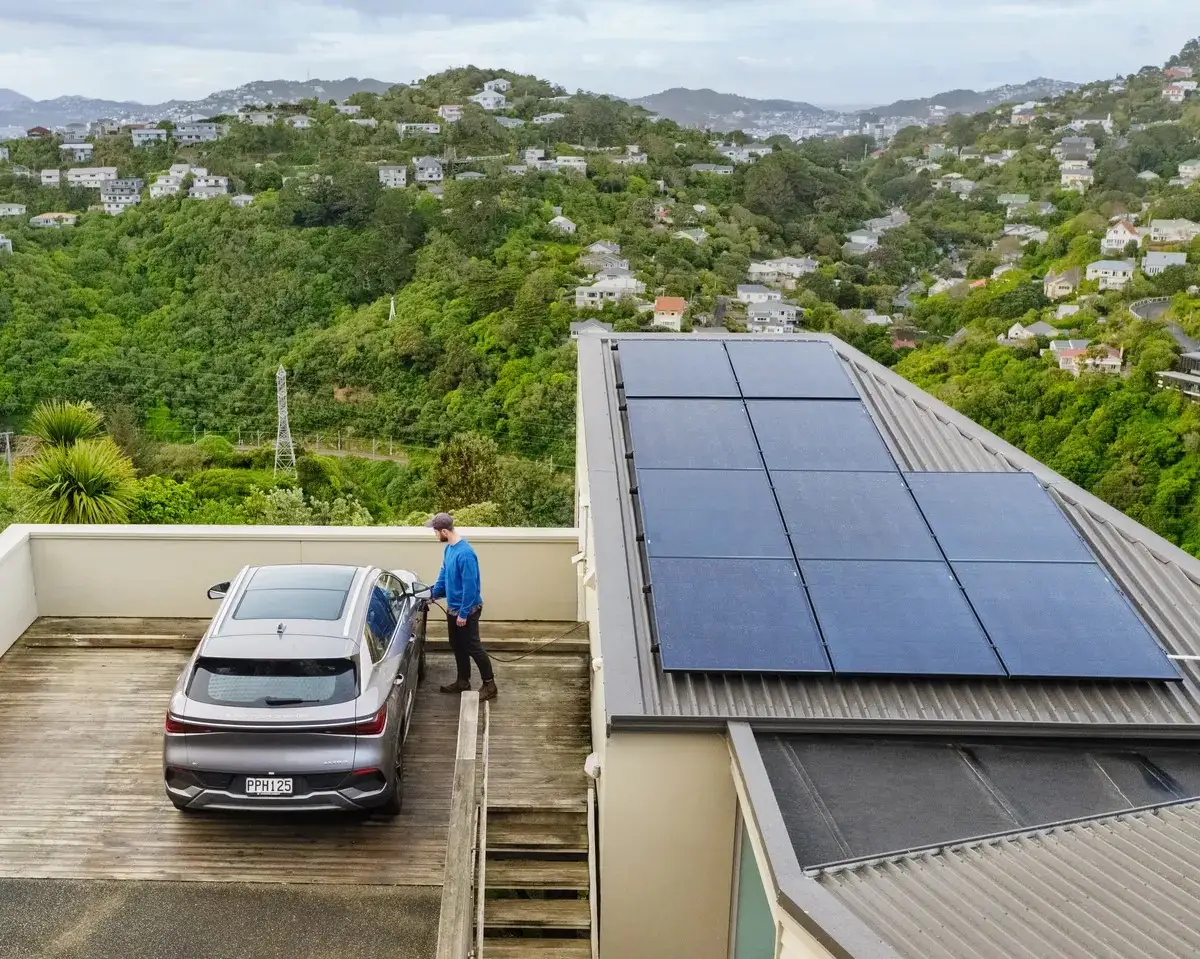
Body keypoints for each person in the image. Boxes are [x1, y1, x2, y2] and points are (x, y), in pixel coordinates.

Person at [425, 512, 497, 702]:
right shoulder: (449, 549)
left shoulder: (465, 554)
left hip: (468, 609)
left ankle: (490, 685)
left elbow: (470, 587)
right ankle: (463, 681)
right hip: (453, 608)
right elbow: (443, 577)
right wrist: (432, 594)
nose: (434, 535)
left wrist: (463, 614)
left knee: (473, 647)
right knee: (457, 645)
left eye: (435, 531)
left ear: (444, 531)